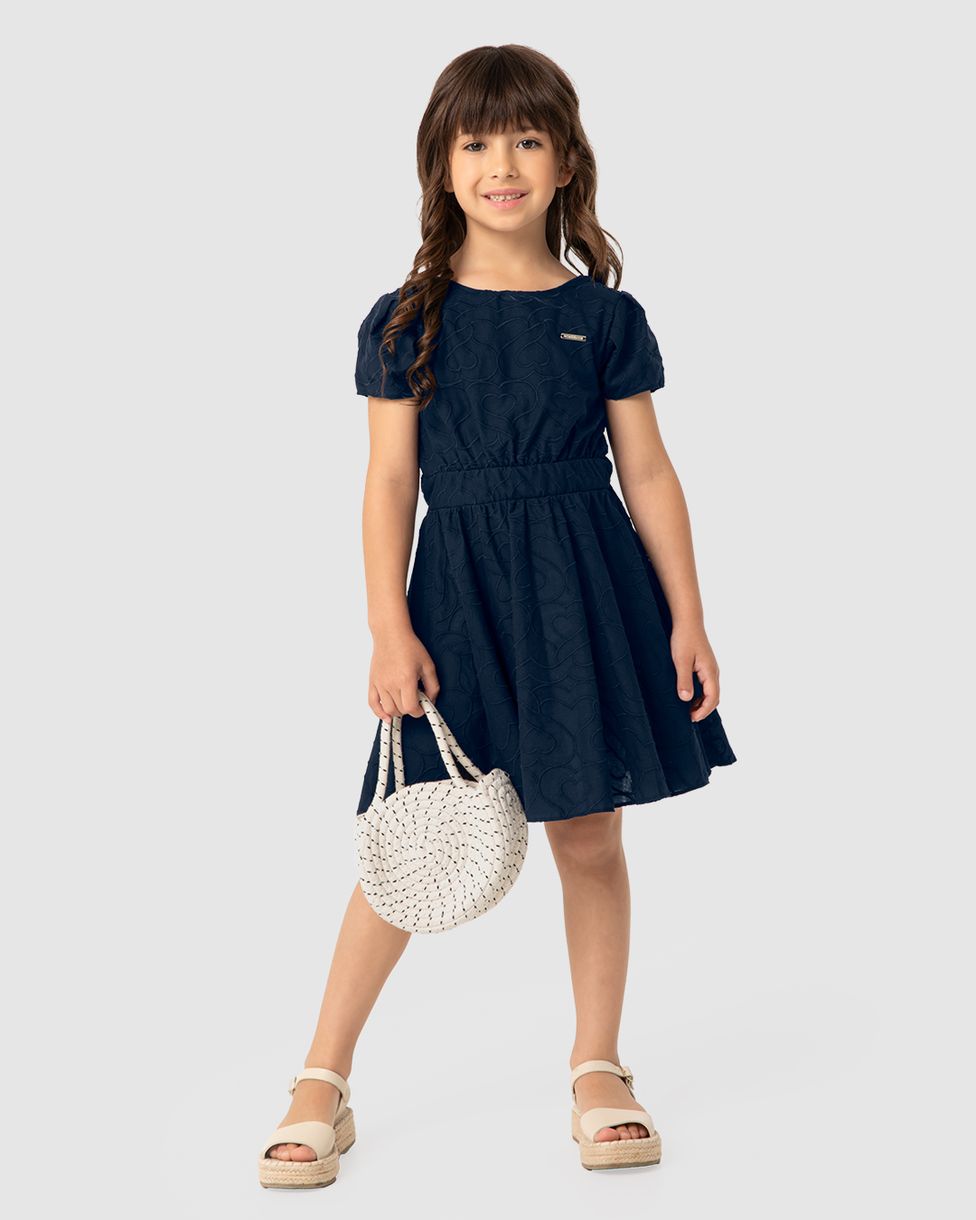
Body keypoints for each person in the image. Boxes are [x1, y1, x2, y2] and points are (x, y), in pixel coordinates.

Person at [258, 42, 737, 1187]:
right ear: (442, 164)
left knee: (590, 831)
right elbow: (388, 482)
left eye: (526, 138)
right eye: (476, 142)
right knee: (410, 829)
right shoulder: (406, 320)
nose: (502, 163)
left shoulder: (601, 316)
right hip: (457, 599)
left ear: (566, 160)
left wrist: (687, 615)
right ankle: (321, 1077)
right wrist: (387, 627)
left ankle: (597, 1065)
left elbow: (648, 473)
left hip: (586, 591)